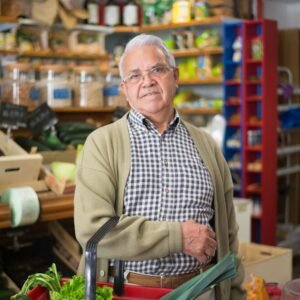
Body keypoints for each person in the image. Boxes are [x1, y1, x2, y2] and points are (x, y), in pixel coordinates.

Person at [74, 33, 245, 299]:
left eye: (157, 70)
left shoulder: (207, 145)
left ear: (175, 76)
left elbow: (228, 233)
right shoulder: (102, 143)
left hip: (201, 289)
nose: (148, 82)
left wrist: (235, 292)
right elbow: (92, 230)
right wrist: (177, 237)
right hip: (126, 291)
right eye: (135, 75)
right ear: (125, 89)